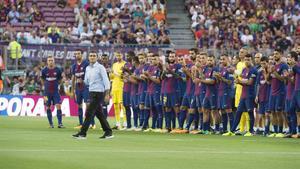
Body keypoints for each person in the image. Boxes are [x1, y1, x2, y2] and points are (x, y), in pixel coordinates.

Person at [73, 51, 112, 139]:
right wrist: (81, 81)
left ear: (97, 57)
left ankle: (83, 133)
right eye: (90, 56)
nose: (92, 57)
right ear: (88, 57)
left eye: (94, 56)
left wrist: (107, 94)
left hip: (99, 93)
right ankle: (108, 131)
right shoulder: (87, 68)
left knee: (89, 112)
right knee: (99, 114)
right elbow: (87, 82)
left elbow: (106, 81)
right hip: (91, 92)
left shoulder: (100, 67)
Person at [223, 54, 257, 136]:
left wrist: (239, 81)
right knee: (238, 112)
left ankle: (251, 131)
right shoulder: (244, 69)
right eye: (245, 59)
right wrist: (238, 81)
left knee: (250, 112)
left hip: (250, 94)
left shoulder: (254, 70)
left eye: (248, 59)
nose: (246, 61)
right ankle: (232, 130)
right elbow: (242, 81)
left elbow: (250, 82)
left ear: (251, 60)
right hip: (243, 94)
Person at [266, 49, 288, 138]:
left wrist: (274, 71)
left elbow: (283, 79)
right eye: (274, 54)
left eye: (277, 54)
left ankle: (280, 131)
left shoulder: (284, 66)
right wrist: (270, 72)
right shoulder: (273, 66)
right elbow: (268, 79)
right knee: (272, 112)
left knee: (279, 112)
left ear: (281, 54)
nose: (275, 55)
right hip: (272, 92)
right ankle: (275, 131)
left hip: (280, 92)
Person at [41, 56, 64, 128]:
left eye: (52, 60)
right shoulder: (44, 70)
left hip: (55, 92)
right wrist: (44, 86)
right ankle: (51, 124)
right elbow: (42, 79)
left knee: (58, 106)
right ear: (47, 62)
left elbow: (60, 79)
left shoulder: (58, 70)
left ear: (54, 61)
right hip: (46, 93)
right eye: (49, 60)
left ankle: (60, 123)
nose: (50, 61)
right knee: (47, 107)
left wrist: (58, 85)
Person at [71, 49, 90, 129]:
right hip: (78, 88)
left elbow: (90, 75)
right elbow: (73, 78)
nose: (77, 55)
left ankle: (89, 123)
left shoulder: (86, 63)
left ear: (82, 54)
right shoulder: (73, 66)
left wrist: (84, 80)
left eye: (78, 53)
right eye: (76, 54)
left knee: (88, 105)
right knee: (79, 105)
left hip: (86, 87)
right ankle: (81, 123)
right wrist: (72, 91)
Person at [110, 52, 127, 129]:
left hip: (121, 87)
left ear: (122, 55)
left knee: (122, 105)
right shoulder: (114, 65)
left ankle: (125, 123)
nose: (118, 57)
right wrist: (111, 75)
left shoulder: (125, 64)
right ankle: (117, 123)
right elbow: (112, 77)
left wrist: (116, 73)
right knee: (115, 106)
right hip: (114, 87)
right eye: (117, 55)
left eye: (119, 55)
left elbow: (124, 76)